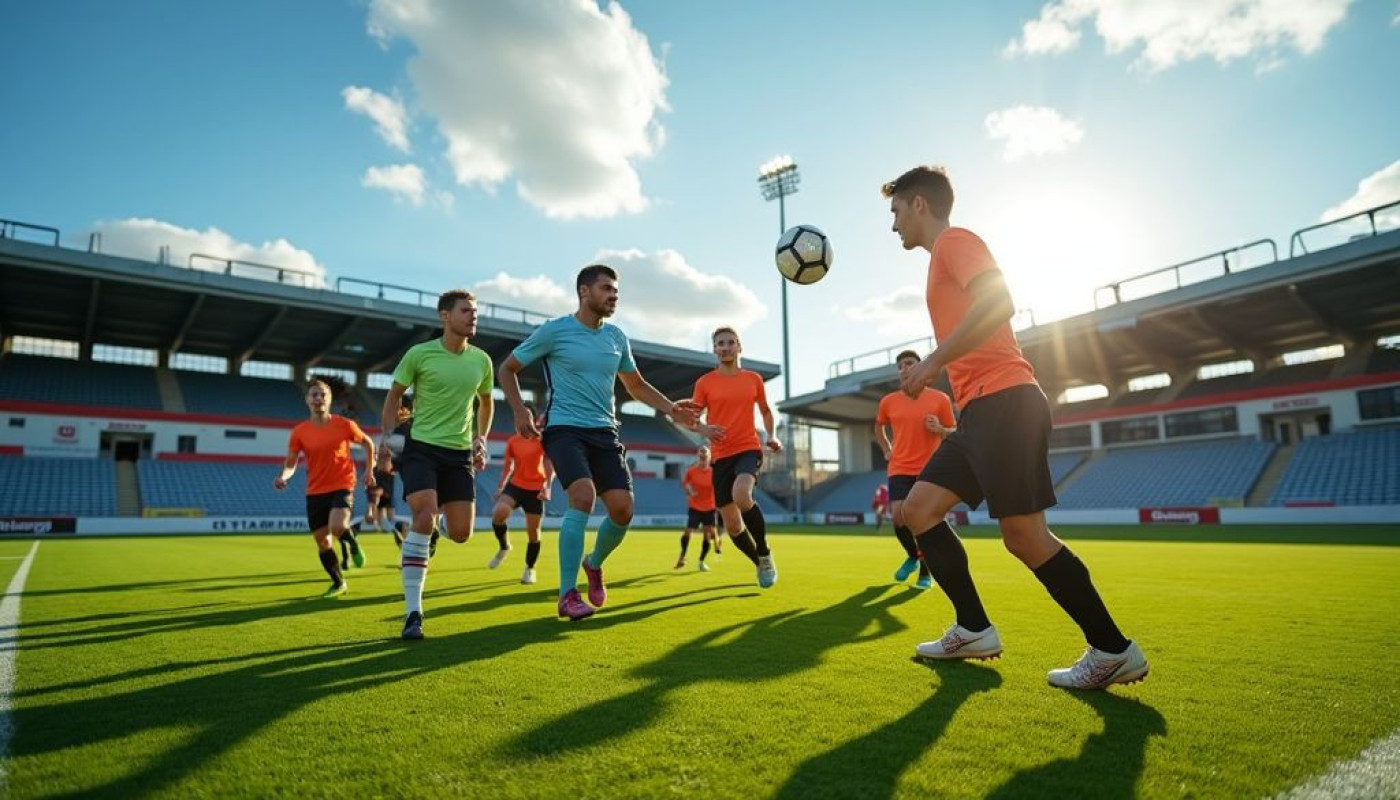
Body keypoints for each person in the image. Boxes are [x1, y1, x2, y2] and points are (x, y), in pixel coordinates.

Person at [883, 165, 1147, 689]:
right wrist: (937, 365)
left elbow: (1000, 302)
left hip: (1006, 401)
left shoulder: (956, 240)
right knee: (917, 511)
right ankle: (974, 627)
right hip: (981, 411)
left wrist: (933, 361)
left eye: (895, 212)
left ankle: (1112, 649)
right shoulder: (940, 260)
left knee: (1024, 536)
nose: (892, 226)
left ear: (919, 205)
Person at [498, 264, 701, 620]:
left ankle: (594, 563)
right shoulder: (555, 331)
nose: (613, 296)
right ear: (584, 292)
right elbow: (507, 368)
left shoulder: (617, 337)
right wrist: (518, 411)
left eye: (616, 291)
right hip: (564, 429)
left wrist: (670, 408)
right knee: (583, 496)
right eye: (607, 289)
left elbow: (634, 385)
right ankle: (566, 594)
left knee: (623, 510)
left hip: (605, 432)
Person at [379, 289, 493, 640]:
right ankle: (414, 613)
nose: (473, 316)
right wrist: (387, 438)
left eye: (475, 312)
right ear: (445, 315)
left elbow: (487, 402)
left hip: (459, 455)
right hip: (421, 449)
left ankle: (438, 525)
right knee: (424, 515)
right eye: (466, 311)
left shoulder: (482, 361)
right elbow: (394, 394)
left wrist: (481, 438)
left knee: (461, 533)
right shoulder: (420, 354)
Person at [690, 326, 781, 588]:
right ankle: (759, 562)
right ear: (715, 349)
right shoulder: (705, 383)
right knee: (731, 525)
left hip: (747, 448)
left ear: (739, 346)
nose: (726, 347)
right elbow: (693, 418)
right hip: (720, 456)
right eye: (720, 343)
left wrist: (771, 436)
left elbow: (765, 411)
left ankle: (763, 550)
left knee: (743, 494)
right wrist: (704, 428)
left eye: (731, 342)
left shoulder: (753, 379)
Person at [274, 379, 375, 598]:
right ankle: (339, 583)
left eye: (323, 395)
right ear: (307, 400)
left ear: (329, 400)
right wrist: (284, 476)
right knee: (323, 542)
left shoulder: (344, 425)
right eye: (314, 395)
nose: (318, 398)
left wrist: (369, 470)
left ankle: (352, 542)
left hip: (342, 483)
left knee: (338, 526)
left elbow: (368, 443)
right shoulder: (300, 432)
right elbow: (291, 462)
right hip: (315, 491)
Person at [874, 349, 956, 591]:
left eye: (909, 363)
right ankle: (913, 555)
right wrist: (886, 448)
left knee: (922, 520)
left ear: (922, 367)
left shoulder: (940, 399)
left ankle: (925, 572)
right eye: (900, 366)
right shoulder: (888, 401)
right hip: (899, 466)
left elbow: (954, 431)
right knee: (899, 518)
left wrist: (940, 428)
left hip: (931, 468)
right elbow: (879, 427)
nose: (904, 368)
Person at [490, 403, 554, 584]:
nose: (521, 418)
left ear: (532, 419)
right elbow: (508, 466)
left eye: (526, 415)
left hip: (536, 489)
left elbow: (549, 464)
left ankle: (529, 568)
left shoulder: (542, 440)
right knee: (499, 513)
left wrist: (547, 486)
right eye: (519, 414)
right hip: (516, 485)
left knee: (533, 533)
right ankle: (504, 547)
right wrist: (502, 486)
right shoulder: (513, 441)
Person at [677, 446, 719, 572]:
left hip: (710, 507)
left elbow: (719, 487)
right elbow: (685, 483)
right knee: (688, 532)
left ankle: (701, 562)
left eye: (705, 457)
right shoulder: (691, 471)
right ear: (698, 457)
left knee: (707, 536)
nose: (703, 459)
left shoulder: (714, 473)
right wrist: (689, 490)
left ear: (709, 457)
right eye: (701, 457)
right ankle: (683, 556)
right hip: (695, 506)